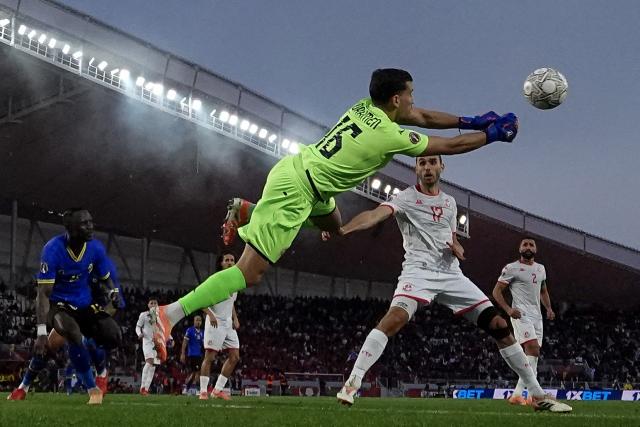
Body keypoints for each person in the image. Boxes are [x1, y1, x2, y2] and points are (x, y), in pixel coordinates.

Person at [151, 68, 519, 364]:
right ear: (396, 98)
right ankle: (171, 313)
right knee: (250, 273)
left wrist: (472, 120)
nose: (413, 101)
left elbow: (421, 116)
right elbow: (449, 146)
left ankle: (250, 210)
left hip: (299, 172)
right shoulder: (389, 136)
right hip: (300, 191)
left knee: (335, 226)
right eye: (410, 94)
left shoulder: (364, 107)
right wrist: (492, 135)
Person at [331, 155, 570, 412]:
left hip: (451, 274)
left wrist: (457, 247)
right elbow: (375, 215)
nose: (427, 167)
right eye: (422, 163)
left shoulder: (449, 203)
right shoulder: (405, 197)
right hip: (418, 272)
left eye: (432, 162)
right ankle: (352, 382)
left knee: (499, 325)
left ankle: (536, 395)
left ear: (441, 167)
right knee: (394, 319)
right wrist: (344, 229)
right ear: (417, 169)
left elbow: (452, 238)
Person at [7, 240, 122, 402]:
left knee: (91, 340)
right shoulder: (59, 270)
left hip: (89, 313)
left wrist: (108, 304)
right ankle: (22, 388)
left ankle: (100, 376)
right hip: (67, 311)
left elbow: (111, 306)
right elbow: (44, 295)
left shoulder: (97, 276)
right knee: (49, 346)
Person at [492, 237, 555, 405]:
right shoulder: (512, 268)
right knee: (532, 348)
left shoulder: (541, 269)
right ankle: (536, 395)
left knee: (533, 355)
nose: (528, 247)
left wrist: (548, 308)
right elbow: (496, 291)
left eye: (531, 245)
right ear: (520, 249)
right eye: (525, 244)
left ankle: (518, 395)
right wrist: (508, 310)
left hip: (537, 316)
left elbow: (543, 291)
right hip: (521, 314)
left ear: (535, 249)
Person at [199, 252, 241, 400]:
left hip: (228, 324)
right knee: (209, 357)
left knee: (235, 357)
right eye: (227, 260)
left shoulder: (235, 282)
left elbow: (231, 303)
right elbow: (201, 300)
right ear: (221, 263)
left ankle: (217, 390)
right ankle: (203, 391)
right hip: (215, 323)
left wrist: (235, 318)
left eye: (232, 260)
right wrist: (210, 315)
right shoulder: (215, 281)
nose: (230, 262)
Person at [136, 297, 160, 395]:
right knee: (149, 362)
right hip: (147, 341)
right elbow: (138, 326)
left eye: (155, 303)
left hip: (157, 343)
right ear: (148, 305)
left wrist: (170, 338)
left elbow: (163, 329)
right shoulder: (144, 315)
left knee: (153, 366)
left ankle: (146, 389)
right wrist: (139, 334)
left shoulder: (160, 316)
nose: (153, 305)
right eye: (151, 303)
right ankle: (142, 387)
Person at [180, 315, 204, 394]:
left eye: (200, 320)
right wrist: (183, 353)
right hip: (192, 354)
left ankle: (186, 388)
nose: (198, 322)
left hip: (199, 355)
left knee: (195, 372)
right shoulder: (190, 330)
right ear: (194, 321)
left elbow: (203, 344)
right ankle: (196, 390)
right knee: (196, 372)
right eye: (197, 320)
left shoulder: (202, 332)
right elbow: (185, 342)